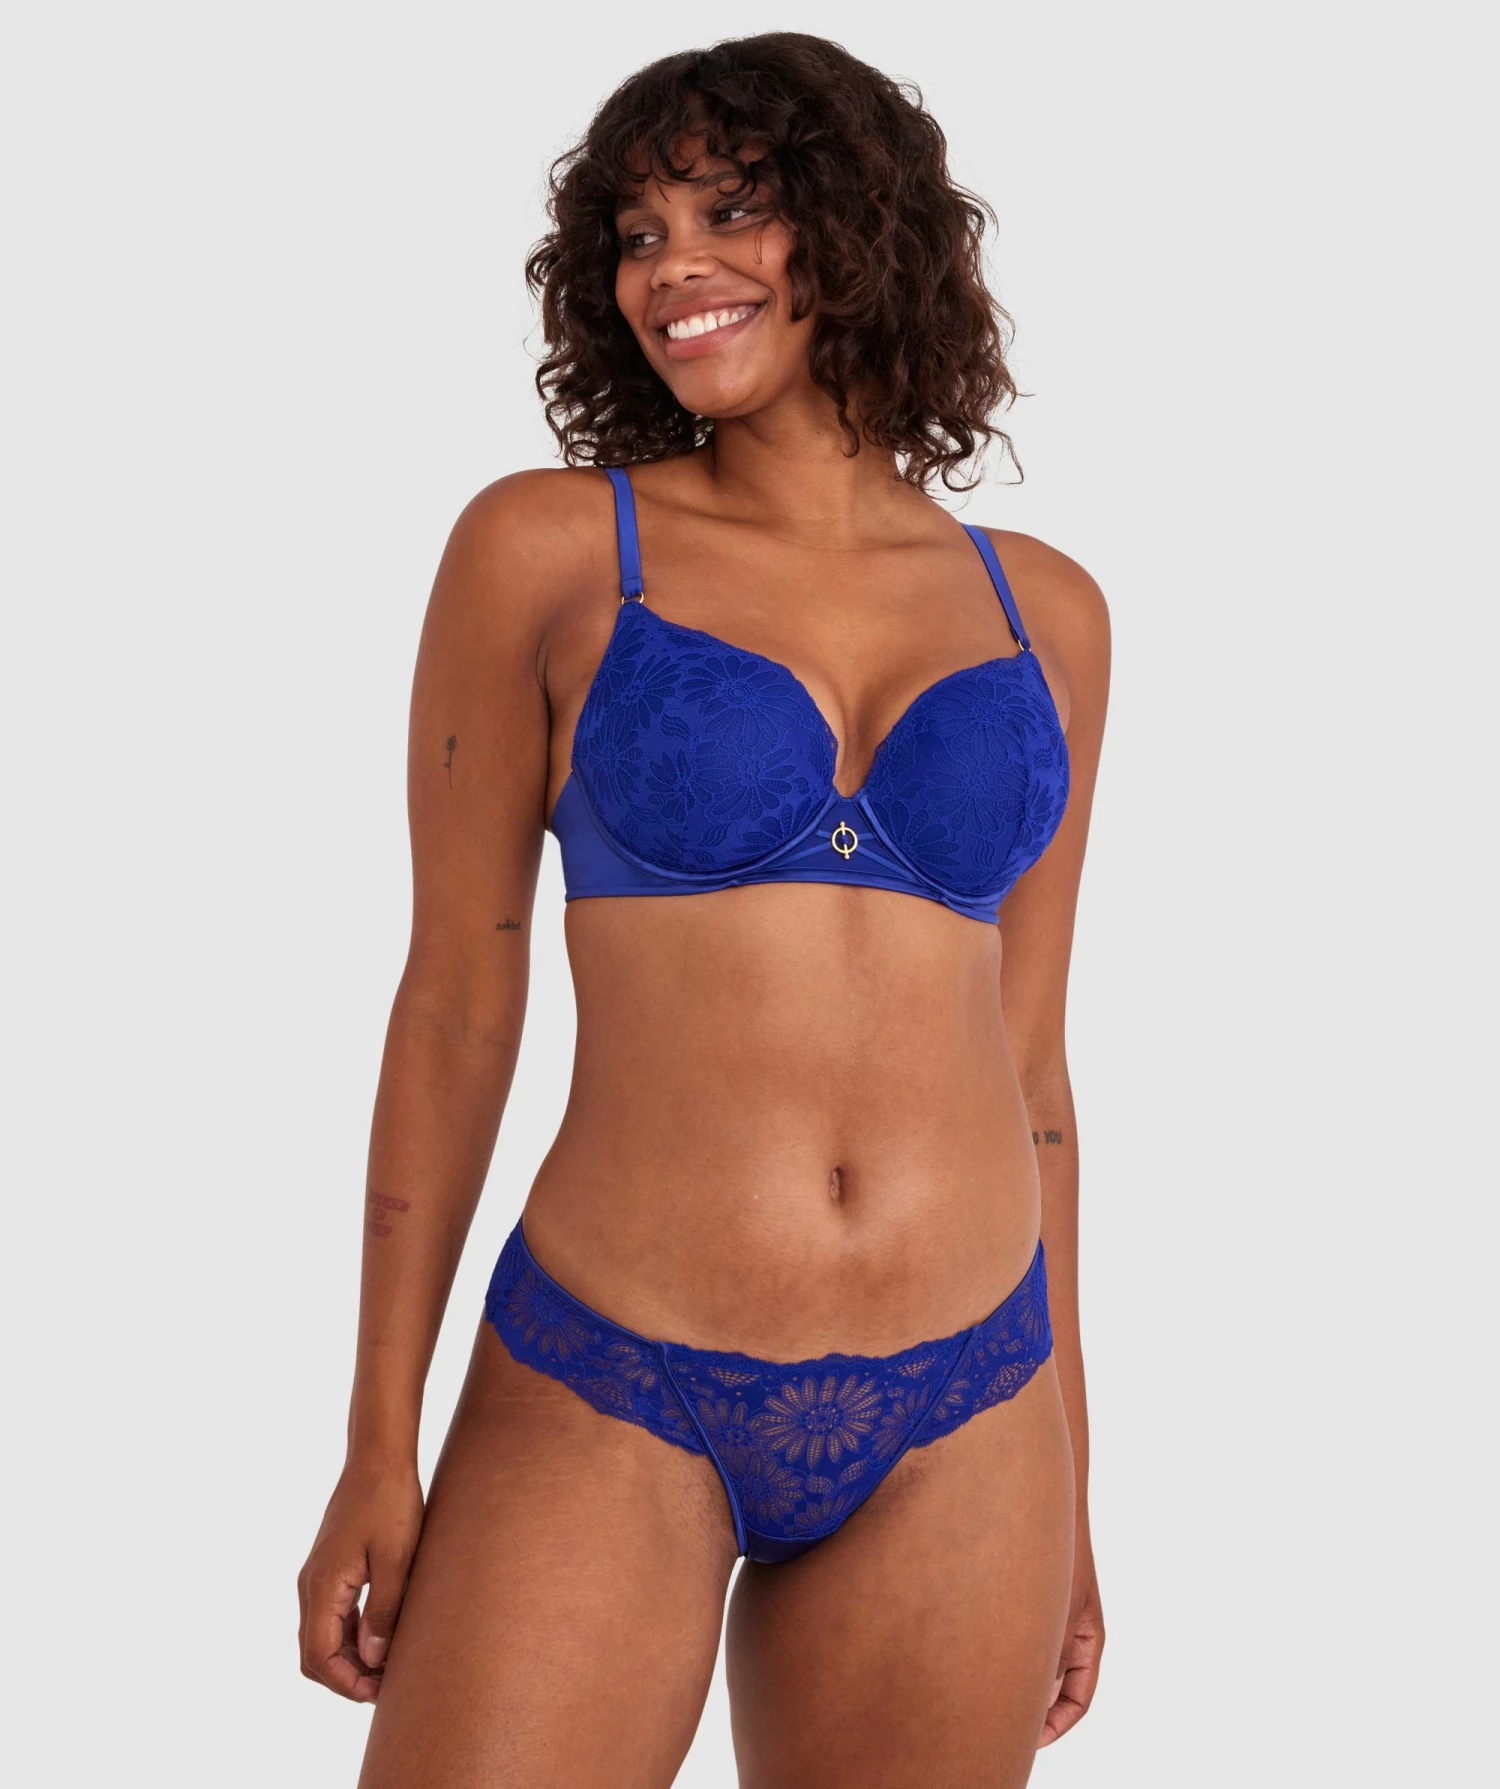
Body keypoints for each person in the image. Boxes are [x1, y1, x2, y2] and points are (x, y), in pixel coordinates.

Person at [299, 32, 1110, 1789]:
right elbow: (455, 1005)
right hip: (616, 1375)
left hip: (975, 1409)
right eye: (637, 233)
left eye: (732, 210)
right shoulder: (548, 551)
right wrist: (378, 1437)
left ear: (860, 228)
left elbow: (1035, 1065)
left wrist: (1080, 1480)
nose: (673, 266)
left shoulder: (1044, 610)